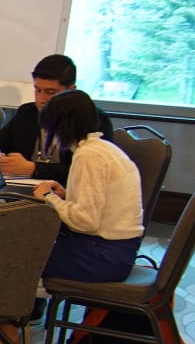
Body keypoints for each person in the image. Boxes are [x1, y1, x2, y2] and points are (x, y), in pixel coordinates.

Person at [33, 90, 144, 283]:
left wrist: (49, 198)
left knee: (19, 250)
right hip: (119, 252)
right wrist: (66, 195)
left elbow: (85, 222)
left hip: (102, 257)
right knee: (31, 240)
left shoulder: (88, 156)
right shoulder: (104, 148)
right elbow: (101, 205)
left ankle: (18, 301)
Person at [0, 54, 115, 186]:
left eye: (50, 92)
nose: (41, 99)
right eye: (37, 90)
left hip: (66, 191)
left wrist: (34, 168)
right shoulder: (27, 112)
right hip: (25, 185)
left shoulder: (93, 120)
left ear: (71, 91)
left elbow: (91, 172)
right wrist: (0, 157)